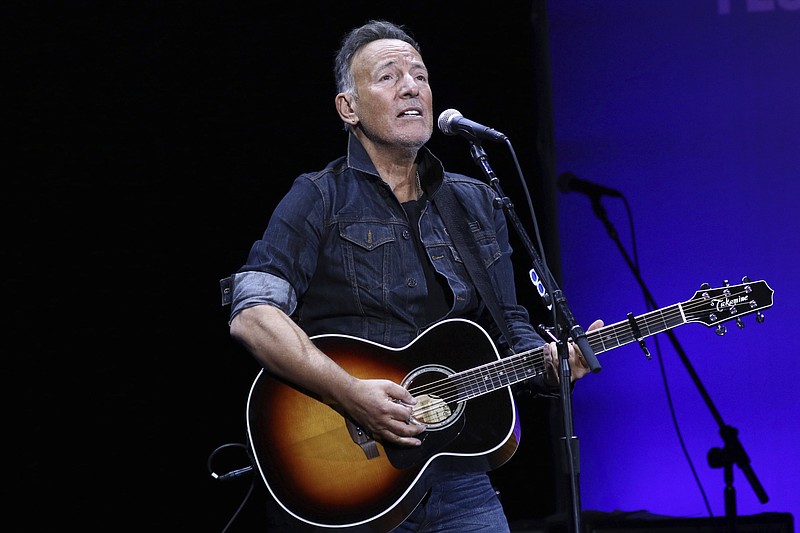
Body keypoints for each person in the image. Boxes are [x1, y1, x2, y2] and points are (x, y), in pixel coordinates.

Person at [221, 19, 603, 533]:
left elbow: (509, 323)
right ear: (348, 108)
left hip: (459, 470)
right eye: (388, 75)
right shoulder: (318, 197)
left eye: (419, 75)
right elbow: (252, 315)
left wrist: (550, 366)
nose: (410, 86)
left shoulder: (476, 202)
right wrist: (349, 393)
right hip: (349, 469)